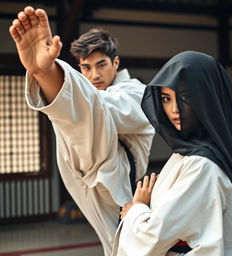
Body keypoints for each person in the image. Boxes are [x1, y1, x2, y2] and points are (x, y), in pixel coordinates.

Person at [9, 6, 155, 256]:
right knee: (116, 248)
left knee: (131, 246)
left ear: (116, 63)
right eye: (85, 68)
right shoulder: (92, 98)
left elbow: (98, 109)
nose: (94, 75)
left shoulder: (136, 92)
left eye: (101, 65)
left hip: (117, 183)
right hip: (84, 179)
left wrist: (48, 73)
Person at [112, 51, 232, 256]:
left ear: (208, 98)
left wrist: (136, 209)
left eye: (185, 97)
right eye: (165, 98)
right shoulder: (190, 154)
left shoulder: (202, 165)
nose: (174, 109)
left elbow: (154, 239)